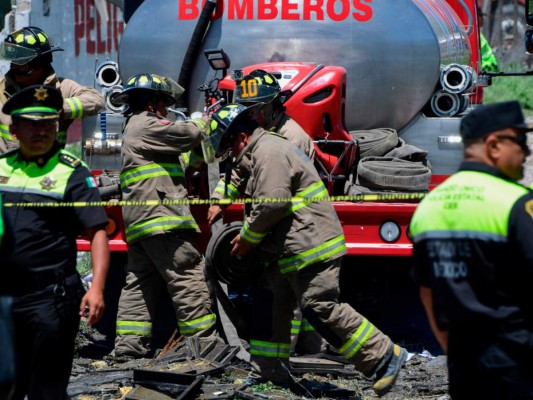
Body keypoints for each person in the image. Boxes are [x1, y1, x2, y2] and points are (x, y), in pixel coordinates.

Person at [202, 103, 408, 396]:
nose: (232, 156)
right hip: (286, 248)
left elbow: (272, 204)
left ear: (241, 138)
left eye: (230, 148)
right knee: (270, 304)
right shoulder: (259, 150)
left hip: (311, 245)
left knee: (319, 306)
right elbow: (238, 174)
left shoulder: (270, 153)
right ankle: (268, 373)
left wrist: (247, 239)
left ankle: (384, 356)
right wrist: (222, 197)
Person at [409, 100, 533, 399]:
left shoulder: (429, 208)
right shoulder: (517, 203)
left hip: (463, 365)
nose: (526, 152)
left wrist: (453, 348)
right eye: (520, 142)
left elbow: (428, 293)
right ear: (494, 145)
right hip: (519, 362)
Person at [0, 85, 110, 399]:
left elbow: (97, 233)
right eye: (32, 124)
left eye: (48, 123)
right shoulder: (1, 168)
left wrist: (97, 287)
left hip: (50, 299)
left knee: (45, 390)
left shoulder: (72, 173)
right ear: (14, 129)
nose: (41, 131)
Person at [206, 69, 325, 355]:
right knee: (276, 293)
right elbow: (237, 172)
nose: (253, 115)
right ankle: (285, 356)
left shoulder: (290, 137)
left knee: (292, 297)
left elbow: (275, 198)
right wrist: (219, 200)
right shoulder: (259, 134)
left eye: (258, 109)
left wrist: (251, 234)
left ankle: (291, 356)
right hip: (270, 226)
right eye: (249, 109)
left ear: (273, 105)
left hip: (290, 227)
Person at [112, 73, 217, 359]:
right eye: (163, 104)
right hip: (162, 219)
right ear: (151, 103)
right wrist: (204, 120)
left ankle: (129, 347)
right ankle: (204, 347)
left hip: (141, 222)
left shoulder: (137, 129)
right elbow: (189, 134)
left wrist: (197, 159)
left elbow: (182, 159)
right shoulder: (145, 123)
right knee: (187, 276)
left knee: (139, 282)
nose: (165, 111)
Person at [0, 26, 105, 153]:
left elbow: (96, 100)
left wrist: (61, 108)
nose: (14, 67)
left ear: (39, 63)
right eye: (13, 61)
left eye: (21, 62)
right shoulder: (2, 89)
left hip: (51, 170)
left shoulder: (62, 88)